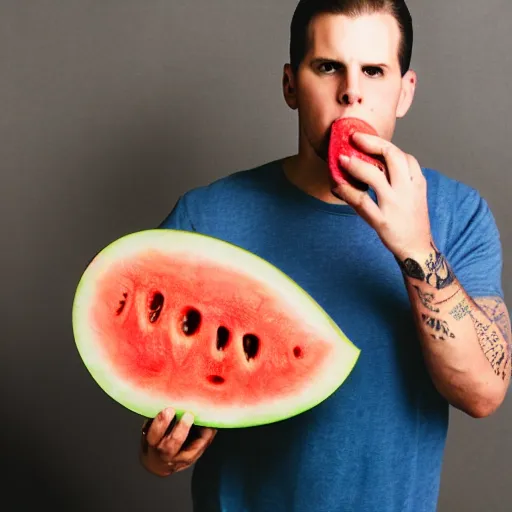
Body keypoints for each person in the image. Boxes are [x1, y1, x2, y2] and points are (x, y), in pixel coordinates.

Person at [138, 1, 511, 510]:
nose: (351, 91)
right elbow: (156, 391)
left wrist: (416, 247)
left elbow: (484, 393)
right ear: (291, 85)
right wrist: (161, 454)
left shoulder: (457, 214)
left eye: (374, 71)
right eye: (328, 66)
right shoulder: (207, 218)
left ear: (405, 92)